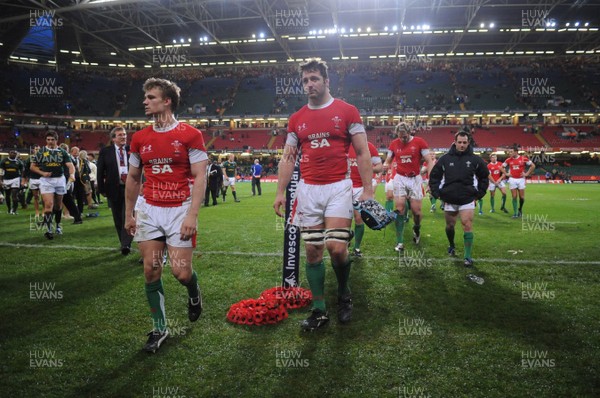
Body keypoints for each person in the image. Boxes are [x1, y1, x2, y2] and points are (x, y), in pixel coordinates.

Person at [273, 58, 374, 331]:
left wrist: (368, 189)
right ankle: (319, 311)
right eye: (305, 80)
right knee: (313, 250)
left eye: (314, 78)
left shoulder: (348, 111)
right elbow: (288, 157)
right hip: (308, 190)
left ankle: (343, 291)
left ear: (326, 81)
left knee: (337, 248)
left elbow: (363, 152)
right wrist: (281, 191)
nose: (309, 84)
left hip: (338, 187)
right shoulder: (296, 119)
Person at [124, 77, 208, 353]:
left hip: (179, 209)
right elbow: (134, 178)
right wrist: (130, 214)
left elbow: (199, 176)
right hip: (149, 208)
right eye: (145, 97)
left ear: (167, 100)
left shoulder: (190, 134)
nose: (145, 101)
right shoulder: (139, 138)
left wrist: (192, 216)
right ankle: (160, 329)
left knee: (180, 273)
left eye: (151, 97)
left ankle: (194, 292)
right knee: (151, 270)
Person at [428, 131, 489, 268]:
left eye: (464, 142)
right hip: (449, 198)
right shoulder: (445, 159)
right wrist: (437, 193)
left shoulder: (475, 160)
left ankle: (467, 256)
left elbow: (484, 177)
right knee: (450, 226)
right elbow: (435, 176)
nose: (462, 145)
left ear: (468, 143)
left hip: (467, 198)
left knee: (467, 224)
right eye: (459, 142)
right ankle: (451, 244)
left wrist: (479, 194)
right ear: (455, 142)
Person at [383, 122, 433, 252]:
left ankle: (416, 228)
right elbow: (388, 160)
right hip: (399, 178)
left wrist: (431, 178)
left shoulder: (420, 142)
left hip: (415, 179)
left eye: (404, 135)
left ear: (409, 132)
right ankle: (400, 242)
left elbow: (429, 160)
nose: (402, 138)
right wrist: (385, 166)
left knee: (416, 212)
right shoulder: (394, 144)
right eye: (400, 136)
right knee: (399, 208)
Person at [30, 130, 76, 239]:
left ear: (56, 140)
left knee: (58, 205)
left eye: (52, 139)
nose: (50, 142)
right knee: (48, 205)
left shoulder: (62, 152)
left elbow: (70, 166)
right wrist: (42, 173)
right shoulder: (41, 151)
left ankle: (58, 225)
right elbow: (32, 166)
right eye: (48, 139)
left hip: (60, 179)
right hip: (46, 181)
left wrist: (72, 174)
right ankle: (49, 230)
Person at [97, 127, 134, 255]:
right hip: (113, 188)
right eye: (120, 135)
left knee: (127, 216)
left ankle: (126, 244)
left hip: (130, 188)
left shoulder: (132, 150)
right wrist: (101, 188)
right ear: (113, 138)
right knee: (117, 218)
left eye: (124, 134)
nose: (124, 137)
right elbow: (100, 171)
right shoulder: (105, 152)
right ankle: (123, 242)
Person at [349, 141, 382, 257]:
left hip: (361, 187)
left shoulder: (369, 147)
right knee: (344, 220)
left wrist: (366, 169)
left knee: (358, 218)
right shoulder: (342, 144)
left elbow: (379, 167)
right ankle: (347, 237)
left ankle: (356, 248)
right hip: (343, 186)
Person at [503, 145, 535, 218]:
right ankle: (515, 213)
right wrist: (506, 173)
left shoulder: (524, 159)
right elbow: (501, 167)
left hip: (521, 179)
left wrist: (526, 174)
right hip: (512, 179)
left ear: (516, 152)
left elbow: (533, 166)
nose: (509, 153)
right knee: (514, 196)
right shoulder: (508, 160)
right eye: (509, 152)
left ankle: (520, 209)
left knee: (522, 197)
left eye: (511, 152)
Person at [1, 149, 24, 215]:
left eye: (14, 153)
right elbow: (1, 171)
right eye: (12, 153)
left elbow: (22, 172)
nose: (13, 154)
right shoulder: (4, 161)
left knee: (14, 196)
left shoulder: (19, 162)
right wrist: (1, 180)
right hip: (6, 180)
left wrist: (22, 180)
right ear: (9, 153)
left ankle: (14, 210)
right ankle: (9, 209)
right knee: (7, 196)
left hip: (15, 179)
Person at [24, 145, 43, 218]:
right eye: (36, 149)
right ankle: (37, 212)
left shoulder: (45, 158)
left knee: (44, 197)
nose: (37, 150)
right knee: (36, 197)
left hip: (43, 179)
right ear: (33, 150)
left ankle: (44, 211)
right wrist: (25, 179)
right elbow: (26, 169)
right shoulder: (30, 159)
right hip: (33, 179)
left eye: (38, 149)